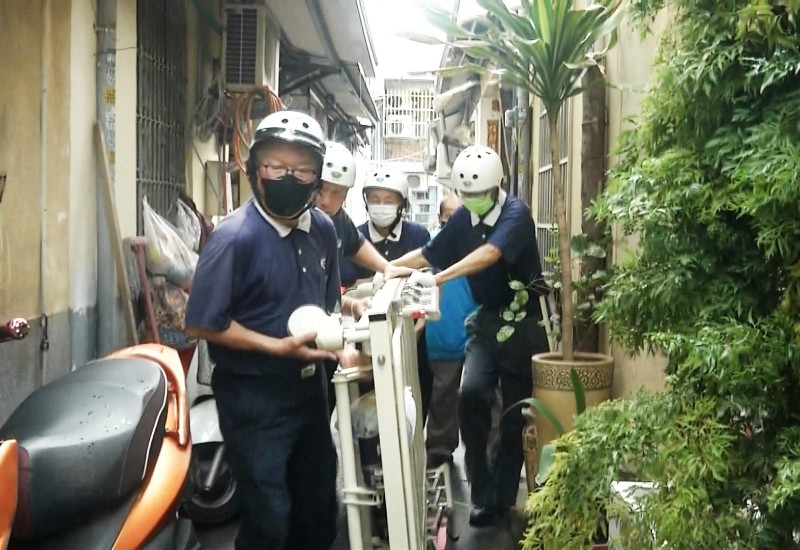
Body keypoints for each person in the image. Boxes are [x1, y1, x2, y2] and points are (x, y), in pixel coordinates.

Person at [185, 110, 341, 550]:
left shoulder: (323, 229)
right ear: (255, 171)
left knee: (317, 512)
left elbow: (327, 305)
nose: (289, 178)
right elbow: (201, 322)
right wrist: (275, 347)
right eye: (276, 166)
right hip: (254, 400)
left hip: (311, 393)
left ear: (317, 178)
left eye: (302, 170)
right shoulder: (234, 238)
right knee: (270, 519)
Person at [390, 145, 549, 527]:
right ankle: (481, 491)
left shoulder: (516, 214)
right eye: (467, 194)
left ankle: (501, 500)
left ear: (498, 186)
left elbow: (490, 254)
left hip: (525, 324)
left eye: (480, 194)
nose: (473, 200)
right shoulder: (463, 218)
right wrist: (388, 269)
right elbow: (429, 253)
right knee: (471, 394)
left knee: (512, 416)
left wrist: (438, 278)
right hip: (487, 320)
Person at [315, 141, 412, 414]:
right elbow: (303, 296)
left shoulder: (336, 220)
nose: (325, 200)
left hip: (327, 339)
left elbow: (355, 245)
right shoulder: (302, 224)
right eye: (321, 190)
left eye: (336, 192)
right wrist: (340, 346)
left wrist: (386, 268)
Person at [338, 168, 434, 419]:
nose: (381, 206)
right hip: (365, 340)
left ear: (401, 204)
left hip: (411, 336)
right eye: (375, 199)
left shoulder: (417, 236)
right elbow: (346, 288)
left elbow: (426, 282)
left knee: (414, 398)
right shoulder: (354, 237)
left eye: (389, 200)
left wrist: (416, 330)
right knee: (367, 407)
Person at [424, 194, 478, 469]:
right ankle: (439, 448)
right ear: (440, 219)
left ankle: (482, 453)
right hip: (442, 334)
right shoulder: (432, 250)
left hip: (477, 334)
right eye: (448, 219)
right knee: (442, 394)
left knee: (481, 396)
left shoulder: (480, 248)